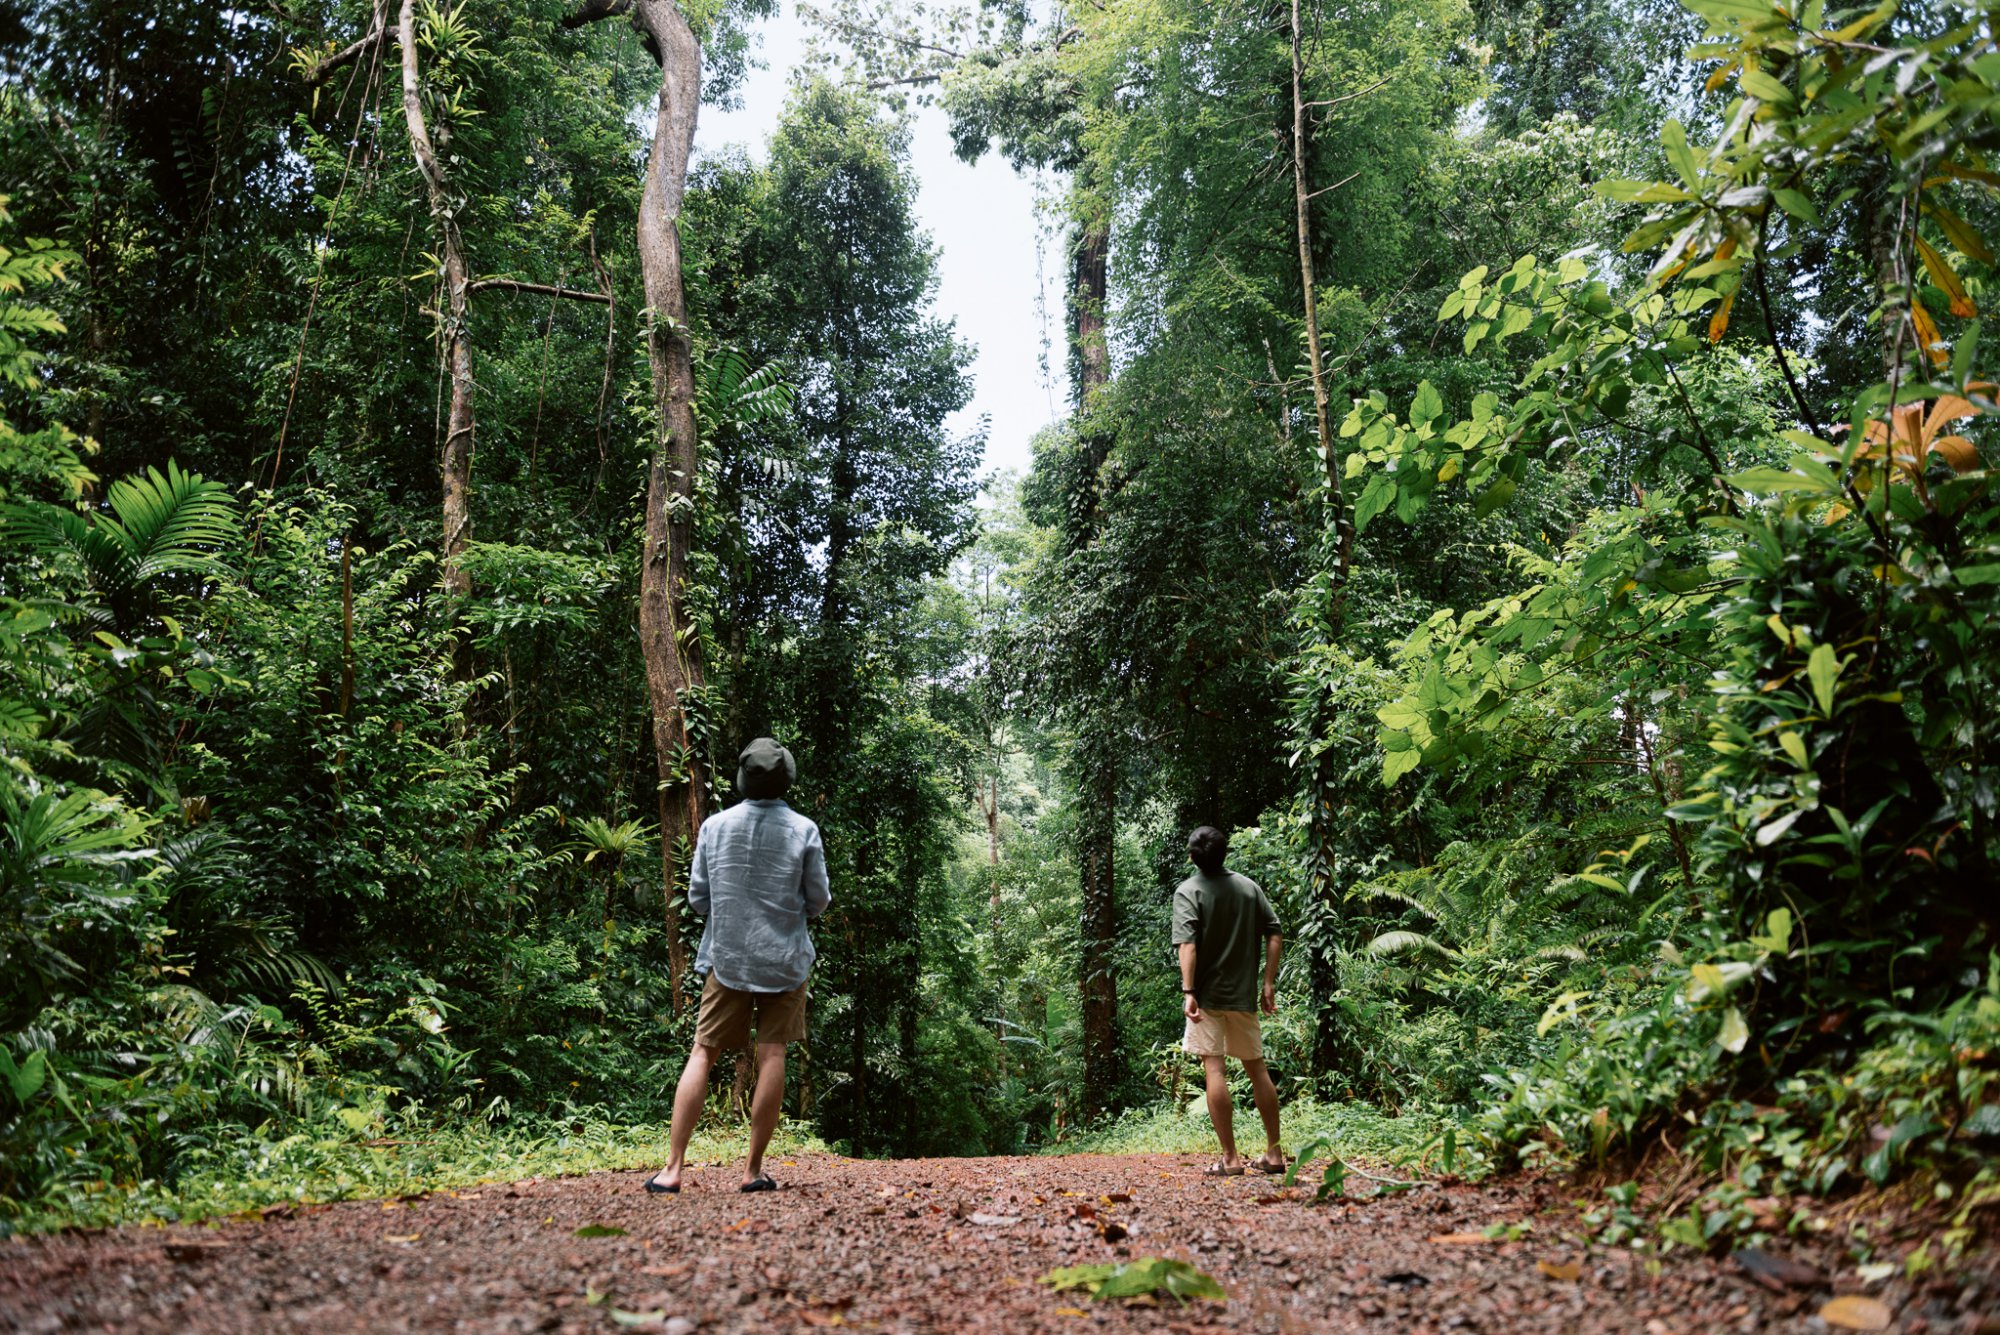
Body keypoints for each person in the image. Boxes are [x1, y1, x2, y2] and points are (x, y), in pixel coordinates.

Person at [645, 738, 830, 1194]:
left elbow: (697, 898)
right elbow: (819, 901)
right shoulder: (804, 829)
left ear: (744, 779)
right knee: (773, 1053)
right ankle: (751, 1171)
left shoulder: (715, 827)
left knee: (702, 1053)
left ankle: (672, 1170)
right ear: (785, 778)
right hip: (785, 960)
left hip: (727, 958)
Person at [1172, 824, 1286, 1177]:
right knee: (1257, 1068)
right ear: (1225, 853)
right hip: (1243, 996)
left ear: (1193, 857)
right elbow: (1275, 932)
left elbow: (1187, 944)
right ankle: (1275, 1154)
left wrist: (1189, 991)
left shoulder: (1189, 890)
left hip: (1207, 996)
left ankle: (1230, 1159)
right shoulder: (1248, 888)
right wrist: (1267, 983)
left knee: (1214, 1069)